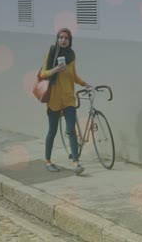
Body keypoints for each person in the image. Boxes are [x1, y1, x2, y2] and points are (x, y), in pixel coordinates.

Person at [40, 28, 92, 175]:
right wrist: (55, 69)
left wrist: (84, 83)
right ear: (57, 39)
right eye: (60, 37)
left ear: (70, 41)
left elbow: (73, 75)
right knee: (53, 131)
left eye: (66, 38)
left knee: (71, 129)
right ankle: (48, 160)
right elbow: (43, 73)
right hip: (54, 100)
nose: (63, 40)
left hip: (69, 98)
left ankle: (76, 163)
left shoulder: (72, 55)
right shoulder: (51, 52)